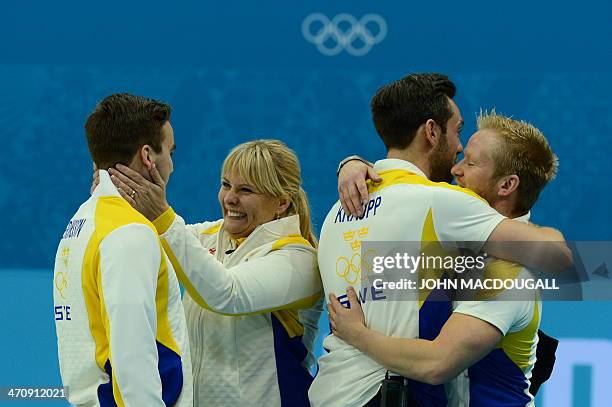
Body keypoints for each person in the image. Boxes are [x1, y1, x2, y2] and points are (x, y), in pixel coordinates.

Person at [309, 73, 571, 407]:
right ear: (431, 131)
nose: (458, 165)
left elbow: (437, 363)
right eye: (458, 132)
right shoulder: (439, 214)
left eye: (471, 162)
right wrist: (355, 165)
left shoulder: (337, 212)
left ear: (507, 186)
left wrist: (358, 334)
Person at [105, 139, 323, 406]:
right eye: (225, 185)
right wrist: (114, 194)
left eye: (246, 190)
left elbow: (227, 294)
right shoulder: (209, 236)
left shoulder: (299, 259)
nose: (230, 198)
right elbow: (145, 241)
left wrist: (161, 215)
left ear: (281, 203)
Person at [53, 93, 192, 406]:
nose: (171, 164)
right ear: (147, 156)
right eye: (169, 151)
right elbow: (133, 358)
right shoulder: (129, 233)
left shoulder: (82, 221)